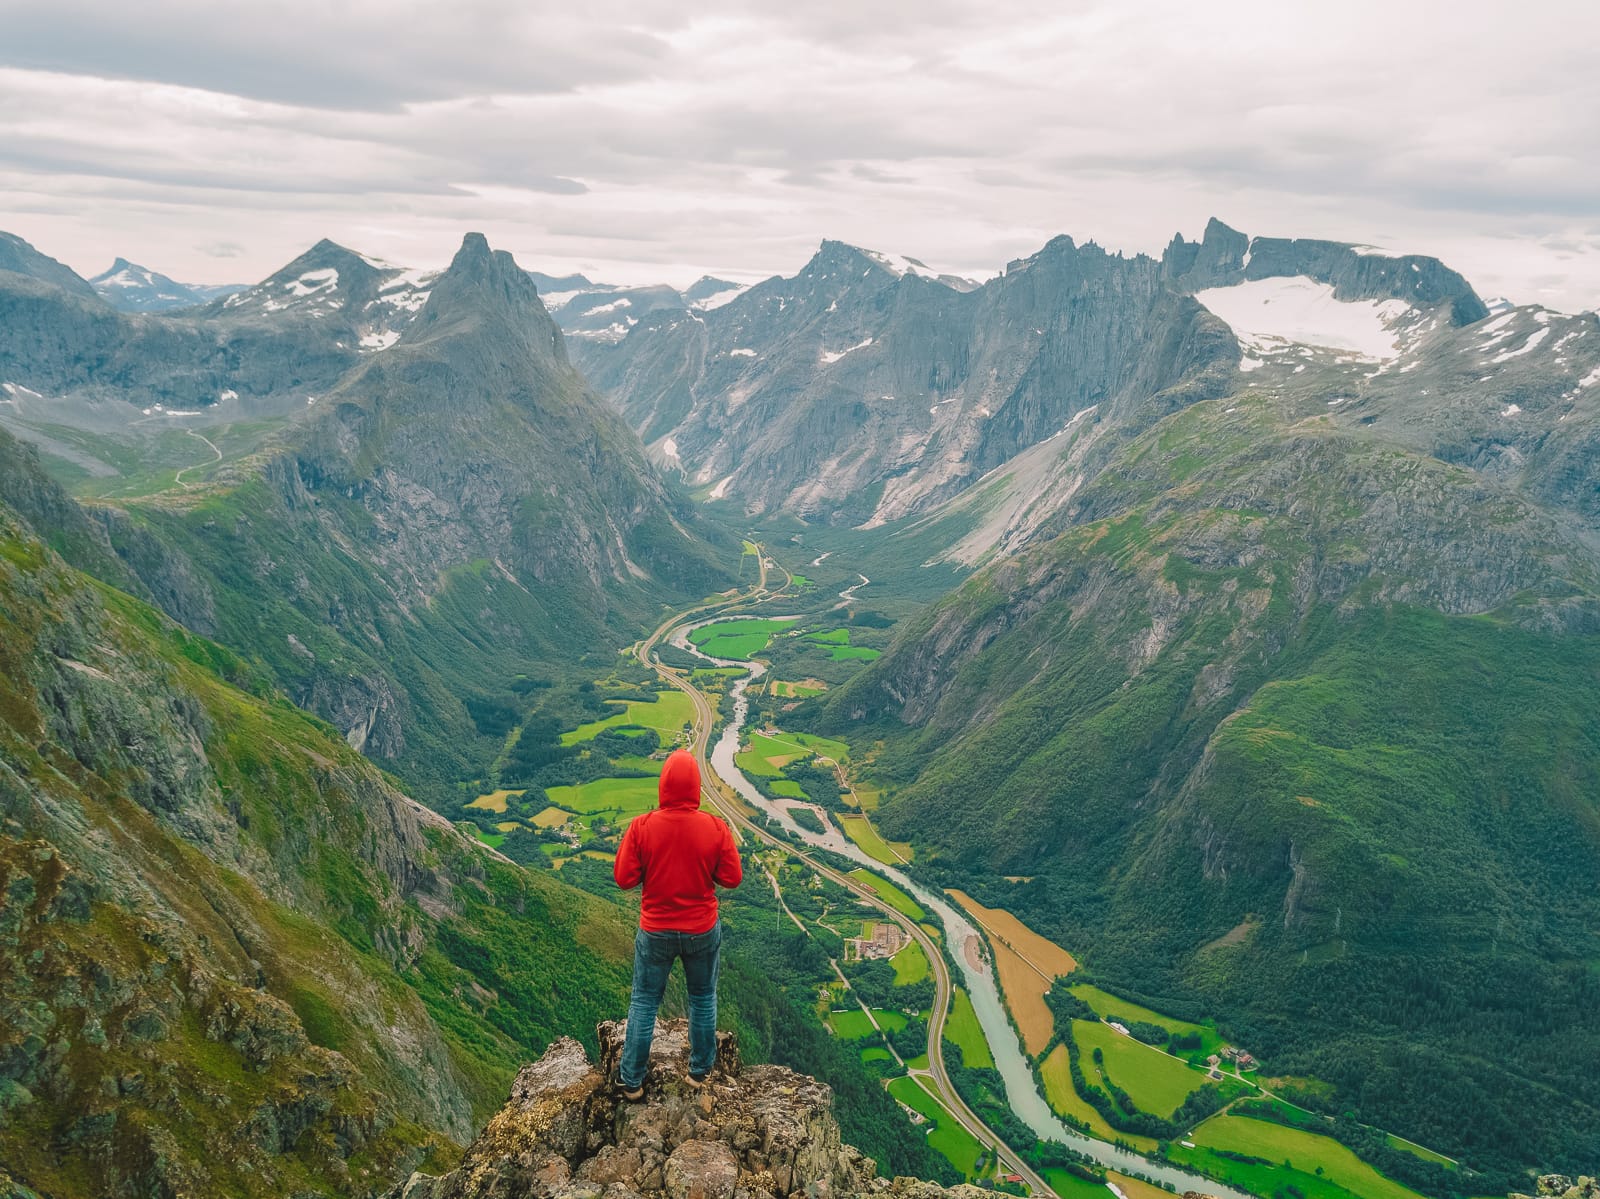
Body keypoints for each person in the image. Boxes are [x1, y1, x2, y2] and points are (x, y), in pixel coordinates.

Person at [613, 746, 742, 1098]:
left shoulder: (643, 827)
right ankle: (699, 1072)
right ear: (696, 788)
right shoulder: (714, 828)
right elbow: (732, 878)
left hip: (656, 930)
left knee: (644, 1002)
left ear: (663, 787)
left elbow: (624, 878)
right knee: (702, 997)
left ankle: (632, 1081)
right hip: (701, 929)